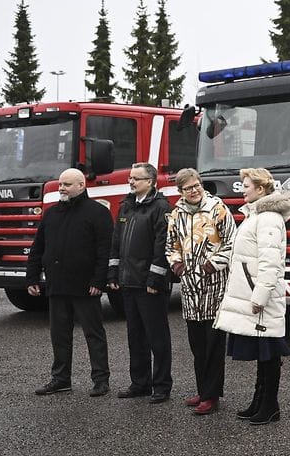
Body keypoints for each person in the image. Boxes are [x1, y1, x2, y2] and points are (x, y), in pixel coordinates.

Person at [214, 167, 290, 425]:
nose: (242, 189)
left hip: (261, 299)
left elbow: (270, 263)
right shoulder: (256, 215)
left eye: (246, 185)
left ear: (260, 189)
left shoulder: (268, 218)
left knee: (269, 352)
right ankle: (260, 401)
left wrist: (259, 296)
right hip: (254, 294)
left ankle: (270, 405)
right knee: (263, 352)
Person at [26, 168, 113, 397]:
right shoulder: (52, 214)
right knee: (59, 335)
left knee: (93, 334)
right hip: (57, 285)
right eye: (60, 184)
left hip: (86, 287)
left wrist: (99, 281)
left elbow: (105, 251)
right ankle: (61, 379)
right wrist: (32, 277)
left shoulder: (97, 213)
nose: (61, 188)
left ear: (81, 186)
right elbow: (38, 248)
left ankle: (101, 380)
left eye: (66, 184)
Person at [166, 168, 236, 416]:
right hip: (190, 288)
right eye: (188, 188)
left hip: (214, 285)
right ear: (181, 191)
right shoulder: (176, 214)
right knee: (197, 343)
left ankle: (212, 395)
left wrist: (211, 264)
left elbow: (231, 242)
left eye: (196, 185)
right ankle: (202, 389)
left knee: (213, 342)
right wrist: (177, 264)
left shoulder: (218, 208)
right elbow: (171, 244)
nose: (194, 191)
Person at [108, 162, 173, 403]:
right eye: (130, 178)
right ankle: (140, 383)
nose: (131, 182)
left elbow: (162, 246)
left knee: (157, 338)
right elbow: (117, 242)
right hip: (129, 283)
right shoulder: (126, 206)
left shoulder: (161, 208)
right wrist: (113, 273)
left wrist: (155, 279)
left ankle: (162, 386)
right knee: (135, 337)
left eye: (136, 178)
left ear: (151, 182)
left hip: (150, 286)